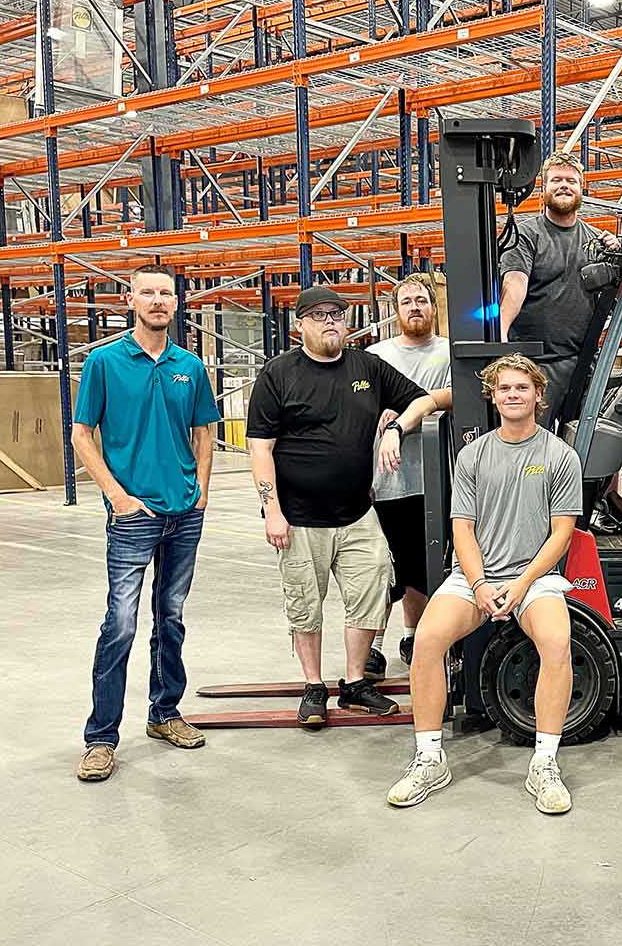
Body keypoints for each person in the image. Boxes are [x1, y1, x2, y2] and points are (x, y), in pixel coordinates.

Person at [386, 354, 584, 814]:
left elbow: (562, 533)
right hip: (477, 576)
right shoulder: (473, 455)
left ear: (538, 394)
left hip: (534, 578)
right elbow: (463, 528)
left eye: (521, 387)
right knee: (428, 640)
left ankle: (545, 764)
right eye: (503, 389)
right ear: (492, 397)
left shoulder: (559, 456)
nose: (512, 395)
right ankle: (429, 758)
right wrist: (478, 585)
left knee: (557, 641)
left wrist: (521, 585)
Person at [246, 286, 447, 727]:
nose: (330, 321)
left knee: (369, 596)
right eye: (317, 316)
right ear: (299, 326)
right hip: (299, 519)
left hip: (358, 513)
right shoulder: (279, 374)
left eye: (336, 313)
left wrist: (397, 426)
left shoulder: (367, 366)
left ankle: (355, 683)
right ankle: (315, 686)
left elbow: (423, 398)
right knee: (305, 604)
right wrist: (272, 510)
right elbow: (260, 448)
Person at [71, 264, 220, 782]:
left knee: (171, 618)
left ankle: (164, 714)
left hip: (183, 515)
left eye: (166, 294)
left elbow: (204, 431)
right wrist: (117, 496)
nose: (158, 301)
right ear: (129, 299)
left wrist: (200, 490)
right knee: (121, 624)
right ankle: (100, 737)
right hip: (134, 516)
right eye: (148, 293)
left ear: (177, 303)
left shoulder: (190, 367)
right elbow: (82, 435)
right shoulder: (104, 362)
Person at [366, 274, 452, 678]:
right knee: (380, 567)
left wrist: (404, 414)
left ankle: (414, 635)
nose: (415, 307)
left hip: (433, 479)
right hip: (385, 482)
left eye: (422, 300)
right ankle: (372, 647)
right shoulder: (376, 356)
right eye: (407, 302)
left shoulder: (452, 353)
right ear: (395, 311)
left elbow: (456, 396)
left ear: (434, 308)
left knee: (422, 564)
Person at [499, 152, 619, 429]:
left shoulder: (595, 242)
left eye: (571, 181)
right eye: (556, 180)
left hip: (583, 361)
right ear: (543, 190)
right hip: (537, 364)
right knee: (531, 443)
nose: (564, 185)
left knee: (590, 445)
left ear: (581, 189)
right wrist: (501, 332)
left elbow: (616, 296)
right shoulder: (526, 234)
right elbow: (515, 283)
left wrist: (616, 258)